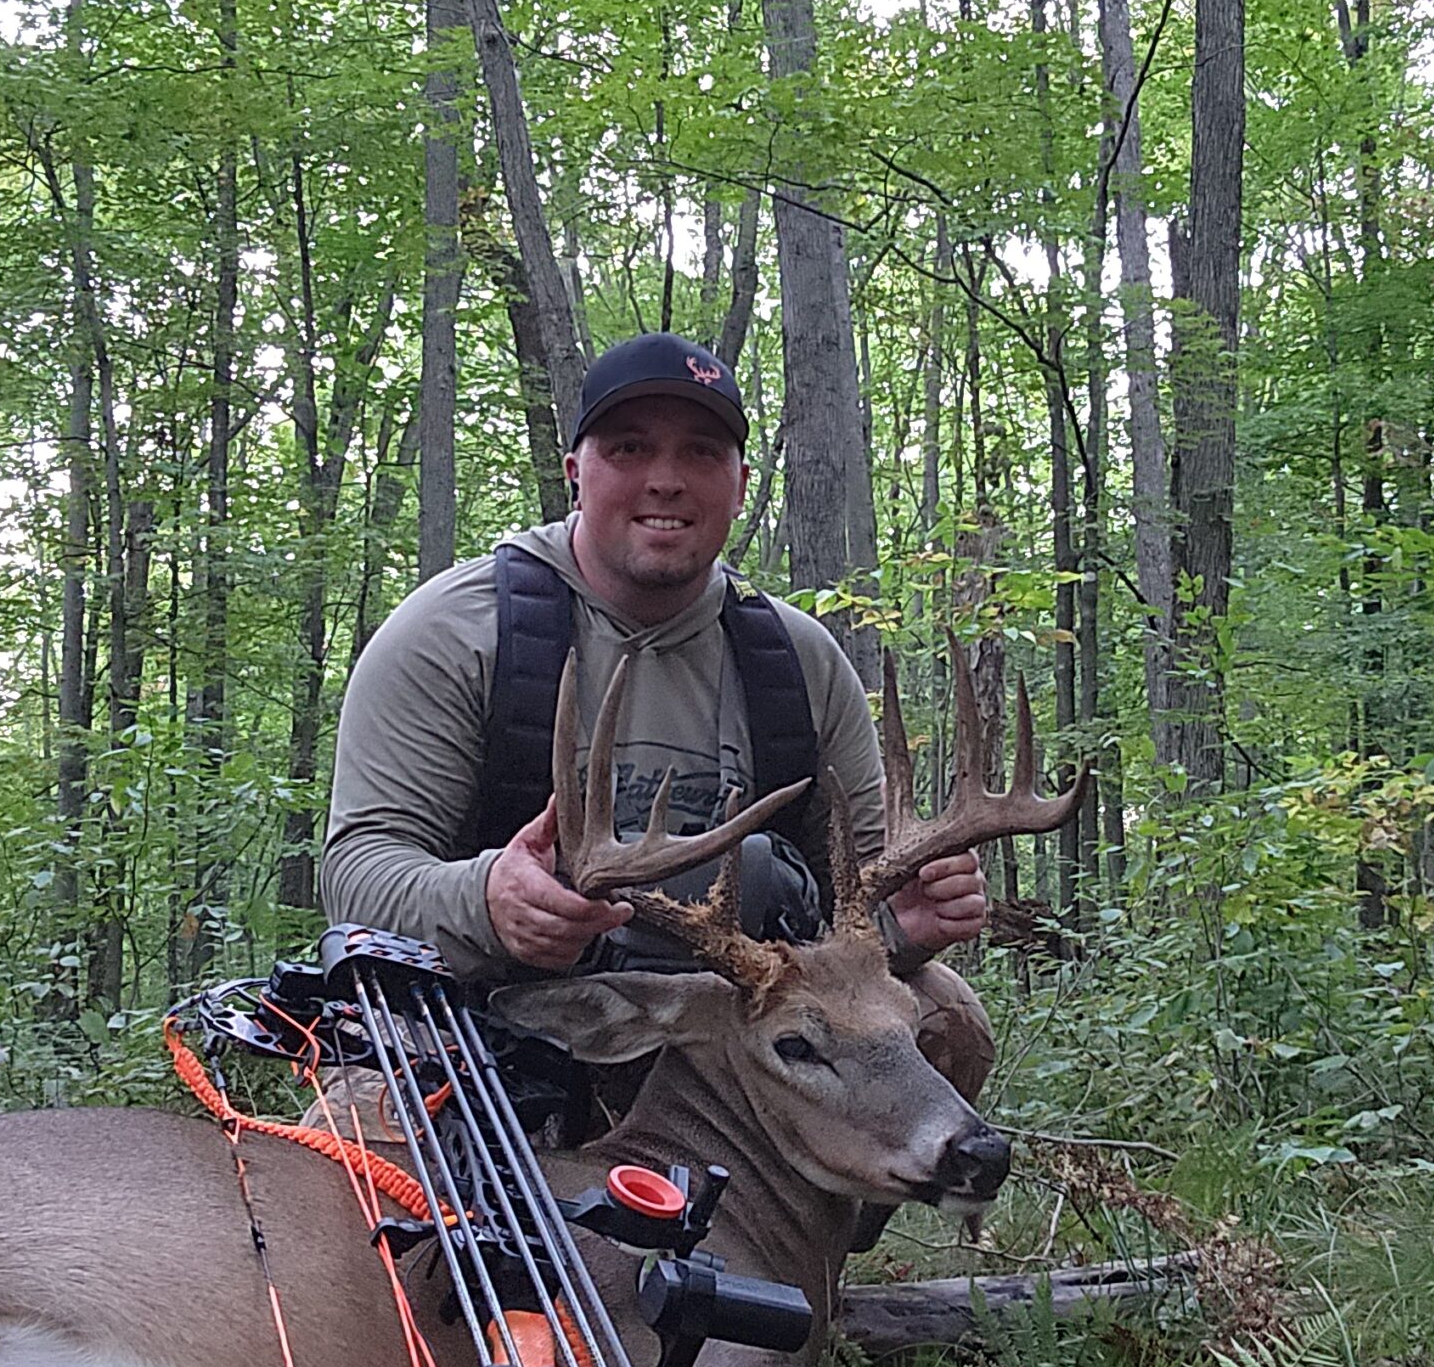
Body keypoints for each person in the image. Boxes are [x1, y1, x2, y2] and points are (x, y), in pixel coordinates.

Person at [319, 330, 997, 1124]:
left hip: (729, 1021)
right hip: (485, 1010)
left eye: (702, 453)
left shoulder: (794, 662)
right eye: (630, 448)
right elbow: (358, 875)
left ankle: (787, 1249)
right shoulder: (458, 633)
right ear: (576, 473)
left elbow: (858, 911)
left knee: (948, 1020)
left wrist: (906, 927)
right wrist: (489, 900)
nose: (666, 480)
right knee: (370, 1133)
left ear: (742, 484)